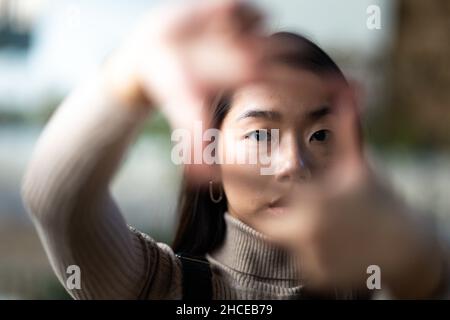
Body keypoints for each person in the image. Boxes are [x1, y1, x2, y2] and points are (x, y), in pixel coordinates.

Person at [21, 0, 449, 299]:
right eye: (261, 134)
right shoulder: (157, 284)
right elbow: (56, 200)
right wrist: (131, 74)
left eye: (321, 135)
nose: (292, 165)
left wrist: (421, 267)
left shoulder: (382, 284)